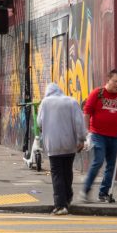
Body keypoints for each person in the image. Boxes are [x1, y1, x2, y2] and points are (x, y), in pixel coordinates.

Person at [38, 83, 86, 215]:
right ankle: (68, 196)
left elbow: (39, 122)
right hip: (69, 143)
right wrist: (81, 139)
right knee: (67, 171)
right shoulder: (71, 102)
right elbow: (79, 122)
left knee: (57, 174)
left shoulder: (45, 103)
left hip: (53, 145)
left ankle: (60, 205)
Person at [82, 69, 117, 203]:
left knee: (112, 165)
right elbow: (87, 112)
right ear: (108, 80)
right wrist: (87, 132)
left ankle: (103, 193)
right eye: (115, 81)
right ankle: (85, 189)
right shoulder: (98, 93)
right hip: (97, 134)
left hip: (114, 136)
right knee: (99, 161)